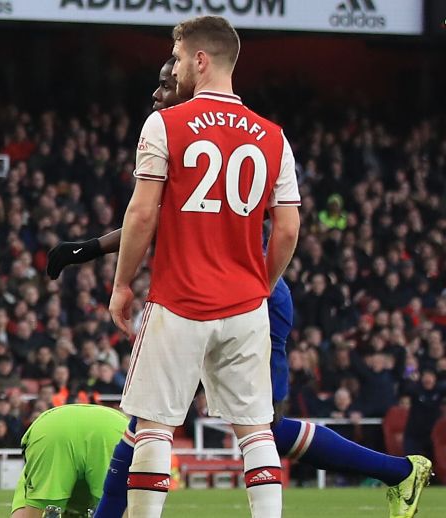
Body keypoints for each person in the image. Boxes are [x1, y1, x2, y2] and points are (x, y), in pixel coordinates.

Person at [48, 56, 433, 518]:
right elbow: (159, 217)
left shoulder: (191, 134)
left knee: (258, 427)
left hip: (245, 296)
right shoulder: (204, 137)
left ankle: (399, 471)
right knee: (152, 420)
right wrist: (91, 248)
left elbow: (154, 216)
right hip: (221, 292)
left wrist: (256, 291)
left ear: (193, 77)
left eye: (166, 82)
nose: (157, 93)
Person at [106, 16, 299, 517]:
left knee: (154, 427)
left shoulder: (165, 124)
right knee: (255, 432)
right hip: (245, 306)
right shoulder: (274, 137)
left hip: (179, 300)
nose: (174, 69)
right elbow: (287, 229)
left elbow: (142, 213)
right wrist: (261, 285)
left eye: (177, 57)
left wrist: (122, 283)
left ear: (200, 59)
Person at [7, 404, 126, 518]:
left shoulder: (29, 473)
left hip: (52, 427)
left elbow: (20, 512)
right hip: (111, 427)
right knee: (115, 502)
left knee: (38, 503)